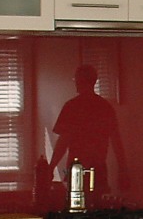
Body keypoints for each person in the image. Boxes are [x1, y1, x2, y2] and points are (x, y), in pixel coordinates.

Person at [48, 64, 127, 195]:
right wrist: (123, 169)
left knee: (77, 202)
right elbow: (116, 141)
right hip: (98, 168)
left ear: (80, 81)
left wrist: (51, 166)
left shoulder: (72, 107)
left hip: (77, 168)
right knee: (97, 203)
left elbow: (63, 141)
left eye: (76, 79)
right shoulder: (105, 107)